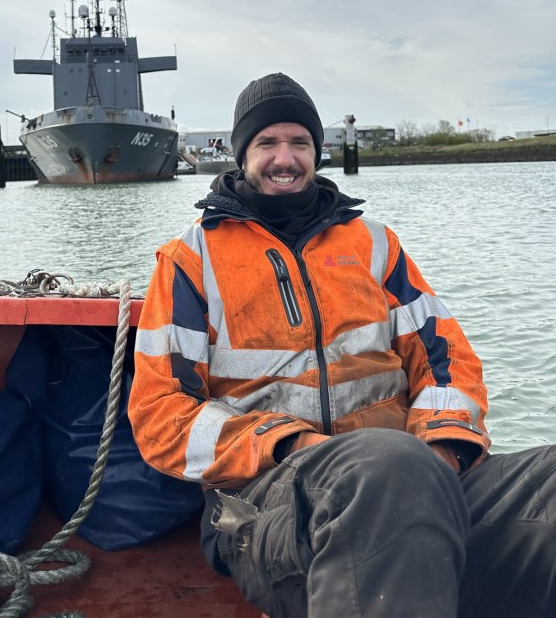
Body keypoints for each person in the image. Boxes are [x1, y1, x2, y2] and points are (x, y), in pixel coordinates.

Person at [128, 73, 556, 618]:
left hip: (411, 477)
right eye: (267, 143)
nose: (285, 158)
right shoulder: (191, 261)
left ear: (318, 150)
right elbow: (160, 416)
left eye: (299, 143)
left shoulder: (375, 245)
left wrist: (442, 452)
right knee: (387, 469)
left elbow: (448, 364)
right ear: (241, 155)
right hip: (269, 506)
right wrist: (288, 447)